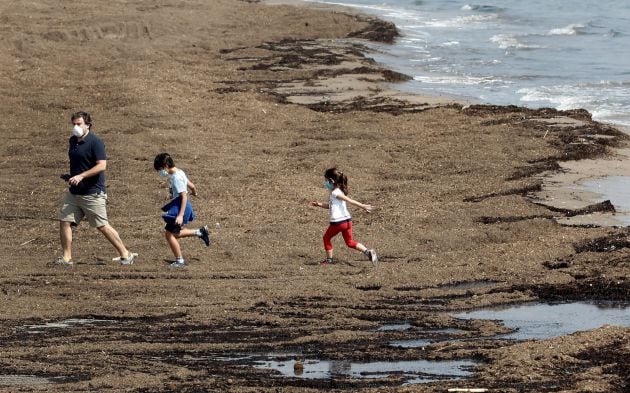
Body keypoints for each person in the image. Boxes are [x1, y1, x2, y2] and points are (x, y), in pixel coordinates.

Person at [53, 111, 137, 266]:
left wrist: (81, 176)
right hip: (75, 192)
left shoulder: (95, 142)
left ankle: (126, 254)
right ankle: (66, 258)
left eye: (79, 124)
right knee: (65, 221)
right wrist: (71, 176)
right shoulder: (73, 141)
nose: (75, 127)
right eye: (73, 124)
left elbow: (101, 165)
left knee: (102, 225)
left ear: (88, 125)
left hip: (92, 193)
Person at [310, 167, 378, 266]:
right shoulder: (339, 191)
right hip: (347, 221)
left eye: (326, 181)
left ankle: (329, 260)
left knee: (326, 238)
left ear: (331, 181)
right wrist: (319, 204)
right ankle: (368, 252)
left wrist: (363, 206)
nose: (325, 183)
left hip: (338, 222)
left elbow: (349, 200)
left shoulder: (335, 192)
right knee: (350, 242)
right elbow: (331, 206)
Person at [153, 153, 210, 268]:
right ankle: (200, 232)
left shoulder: (176, 177)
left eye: (159, 170)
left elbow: (183, 196)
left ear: (165, 166)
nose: (160, 173)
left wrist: (180, 215)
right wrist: (194, 193)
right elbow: (192, 186)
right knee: (175, 233)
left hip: (181, 207)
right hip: (183, 205)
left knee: (169, 235)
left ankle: (179, 261)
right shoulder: (180, 172)